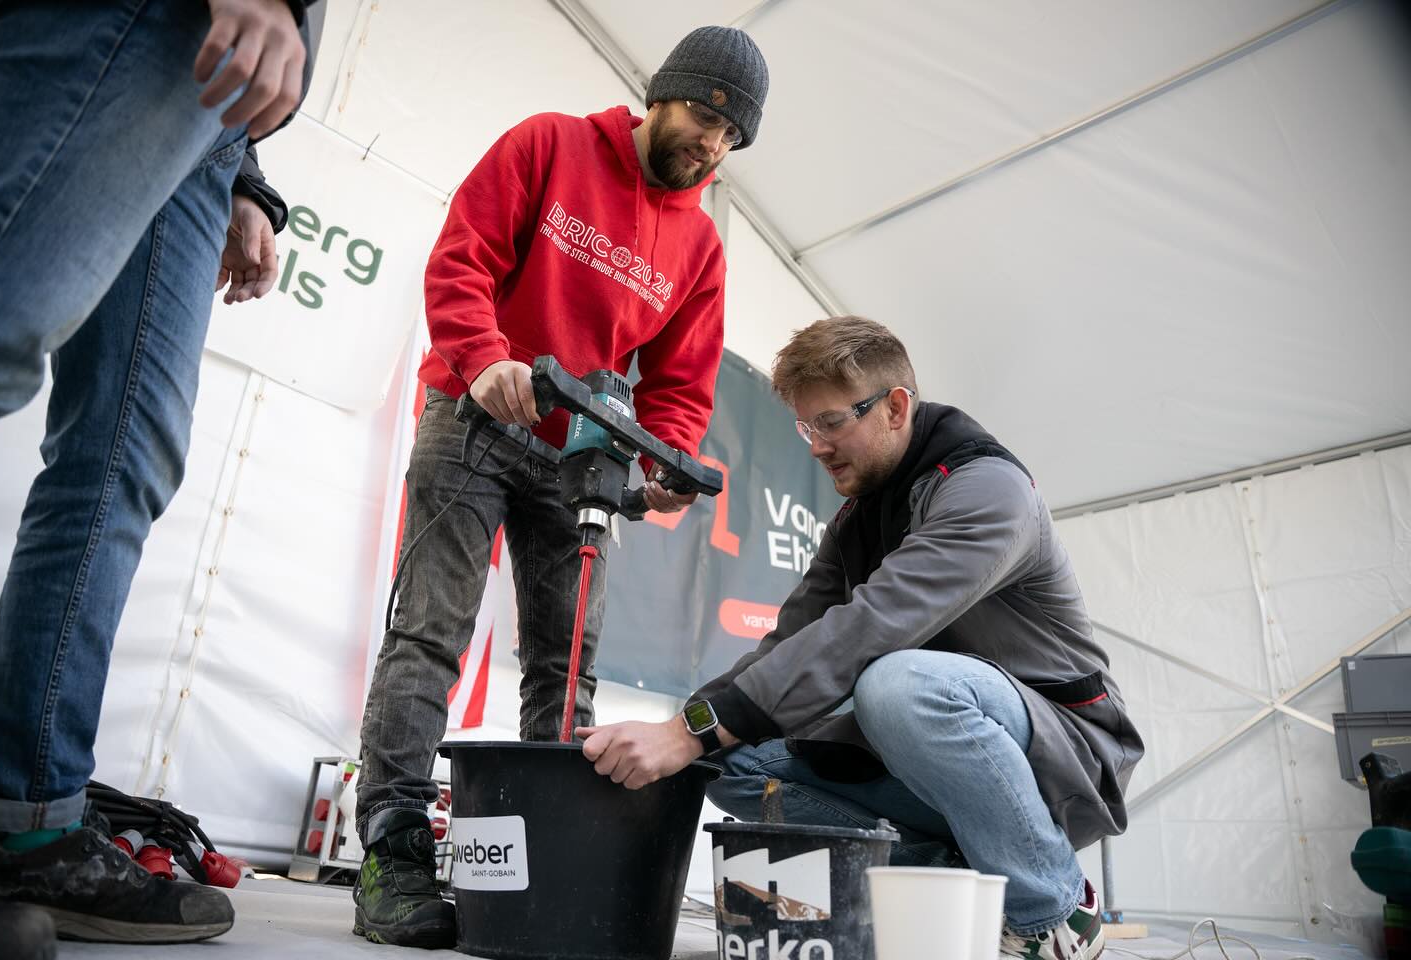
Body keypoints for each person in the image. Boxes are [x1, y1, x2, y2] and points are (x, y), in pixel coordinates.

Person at [351, 24, 771, 949]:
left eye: (730, 135)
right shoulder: (549, 144)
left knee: (567, 664)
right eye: (703, 116)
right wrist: (483, 359)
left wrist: (664, 460)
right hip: (475, 418)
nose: (711, 143)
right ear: (662, 94)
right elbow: (462, 257)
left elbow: (680, 385)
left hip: (582, 458)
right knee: (431, 633)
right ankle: (392, 849)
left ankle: (539, 857)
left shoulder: (700, 247)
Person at [579, 316, 1145, 960]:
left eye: (830, 422)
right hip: (934, 758)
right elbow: (787, 644)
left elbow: (869, 627)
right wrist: (679, 731)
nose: (816, 447)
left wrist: (687, 734)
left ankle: (1053, 911)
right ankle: (963, 883)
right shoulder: (856, 520)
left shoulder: (989, 491)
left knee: (897, 686)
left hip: (1062, 754)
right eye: (806, 427)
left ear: (895, 407)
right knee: (724, 760)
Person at [0, 0, 320, 944]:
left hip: (213, 122)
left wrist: (246, 177)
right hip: (139, 19)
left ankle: (27, 824)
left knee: (125, 458)